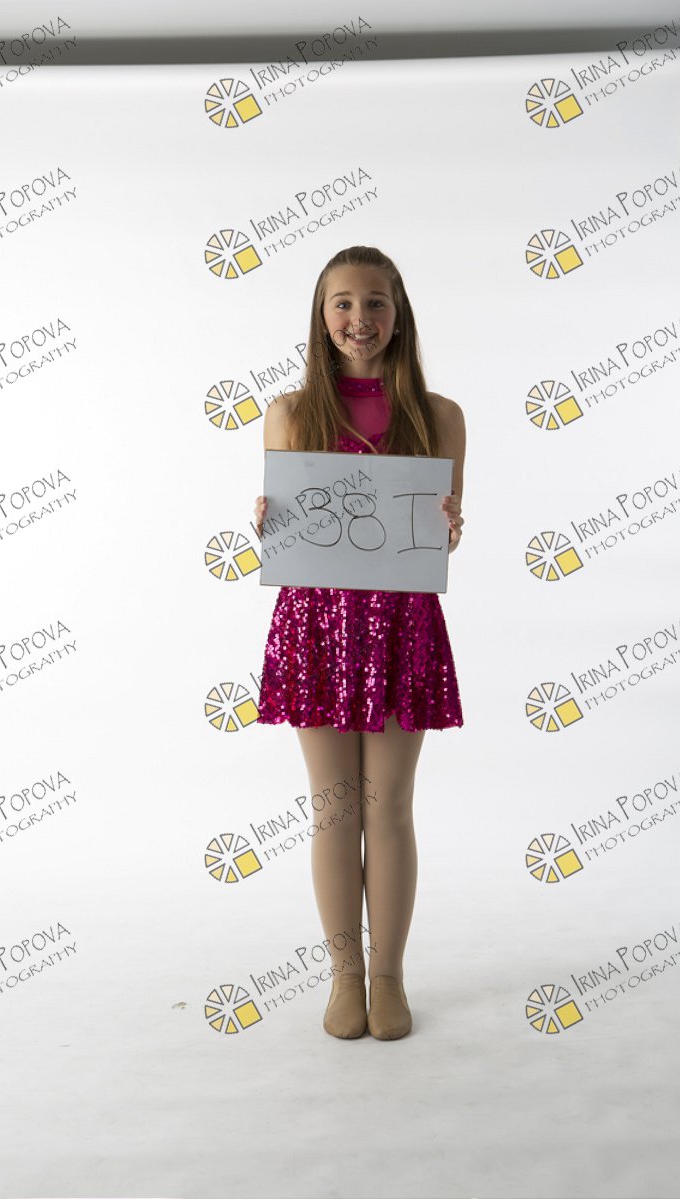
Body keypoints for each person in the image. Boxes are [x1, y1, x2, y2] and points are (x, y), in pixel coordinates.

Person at [253, 245, 465, 1041]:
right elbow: (290, 528)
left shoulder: (439, 415)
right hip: (316, 624)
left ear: (398, 313)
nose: (359, 318)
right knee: (334, 808)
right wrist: (267, 522)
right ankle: (344, 975)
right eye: (342, 303)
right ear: (321, 317)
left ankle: (388, 975)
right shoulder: (289, 412)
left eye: (375, 302)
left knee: (391, 806)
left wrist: (451, 526)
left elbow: (442, 534)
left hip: (401, 624)